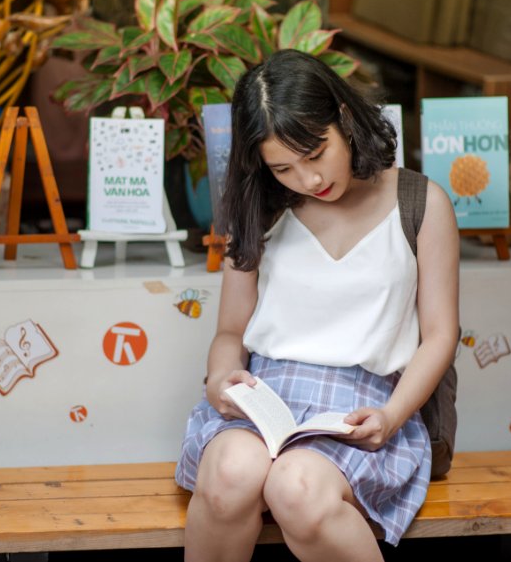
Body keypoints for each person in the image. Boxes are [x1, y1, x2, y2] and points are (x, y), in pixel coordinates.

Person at [175, 49, 459, 562]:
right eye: (283, 166)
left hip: (364, 411)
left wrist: (392, 416)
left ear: (344, 118)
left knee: (297, 488)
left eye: (316, 152)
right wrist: (220, 380)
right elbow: (230, 332)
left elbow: (440, 333)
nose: (308, 180)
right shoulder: (259, 207)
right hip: (266, 401)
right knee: (228, 476)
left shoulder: (421, 202)